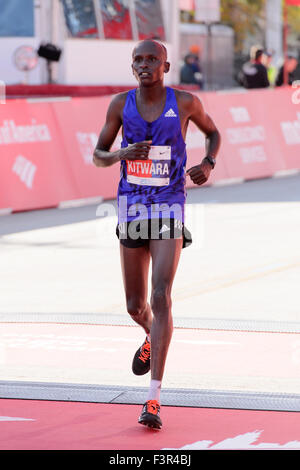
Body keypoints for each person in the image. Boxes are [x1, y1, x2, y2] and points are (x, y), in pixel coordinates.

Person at [93, 39, 221, 430]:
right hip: (132, 205)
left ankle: (153, 398)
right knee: (135, 305)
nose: (145, 65)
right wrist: (121, 155)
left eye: (153, 59)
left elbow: (212, 134)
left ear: (166, 66)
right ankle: (152, 334)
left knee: (161, 295)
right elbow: (98, 154)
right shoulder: (120, 104)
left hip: (169, 204)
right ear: (132, 67)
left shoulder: (184, 102)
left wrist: (208, 162)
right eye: (139, 60)